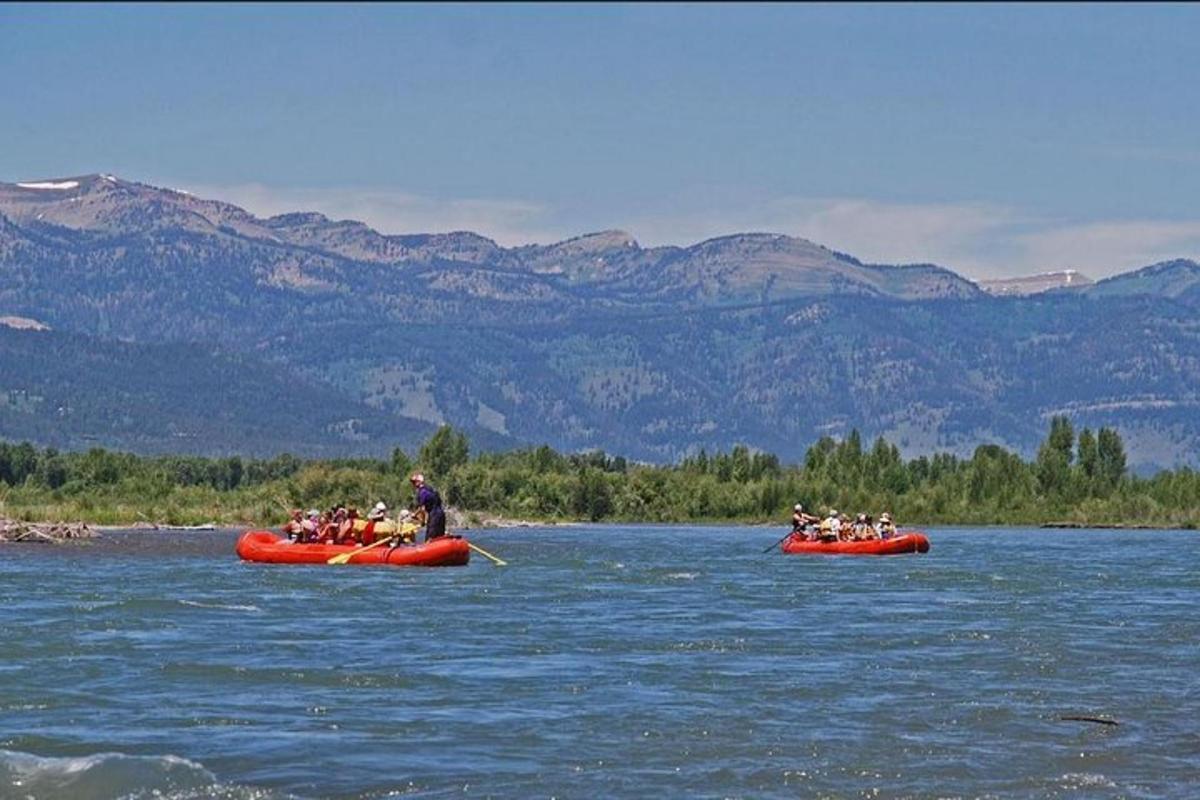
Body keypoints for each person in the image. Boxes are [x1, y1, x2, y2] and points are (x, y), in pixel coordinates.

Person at [410, 472, 446, 542]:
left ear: (419, 482)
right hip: (441, 514)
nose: (413, 484)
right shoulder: (430, 489)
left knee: (429, 539)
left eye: (414, 482)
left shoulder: (422, 492)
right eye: (412, 482)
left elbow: (422, 509)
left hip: (434, 515)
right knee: (440, 536)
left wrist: (416, 515)